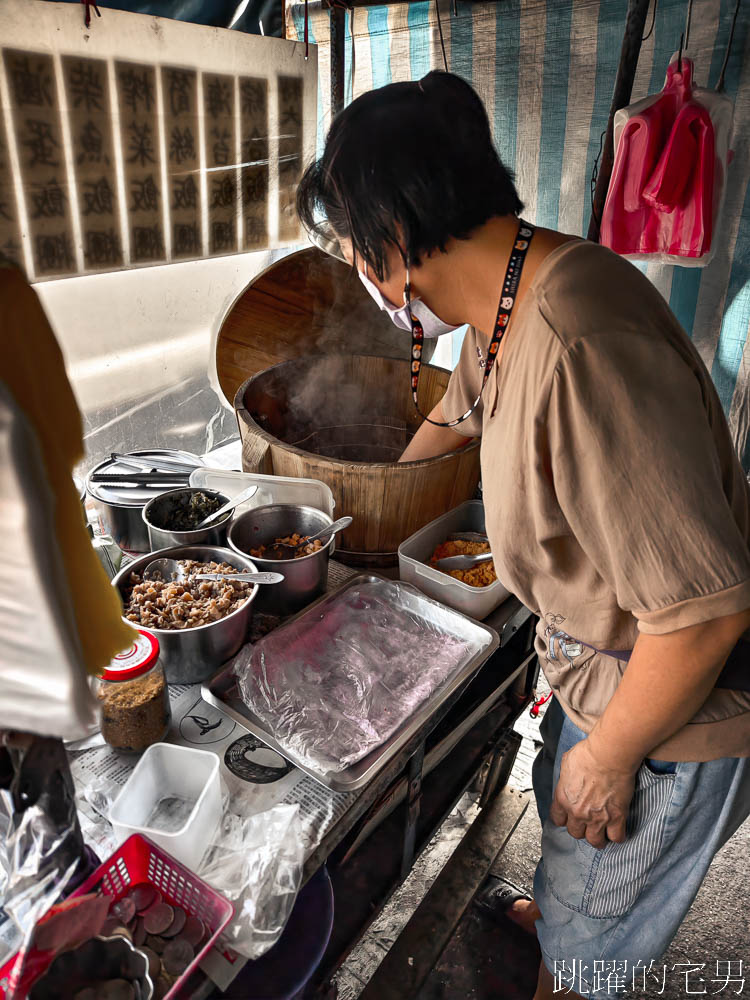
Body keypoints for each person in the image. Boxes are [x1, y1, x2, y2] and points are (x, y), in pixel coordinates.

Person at [297, 71, 750, 999]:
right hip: (593, 664)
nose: (358, 277)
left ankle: (569, 966)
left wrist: (611, 755)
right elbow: (450, 429)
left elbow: (703, 614)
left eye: (351, 252)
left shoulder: (581, 345)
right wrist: (363, 529)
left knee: (593, 929)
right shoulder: (509, 297)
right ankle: (562, 910)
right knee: (564, 833)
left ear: (393, 242)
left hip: (665, 711)